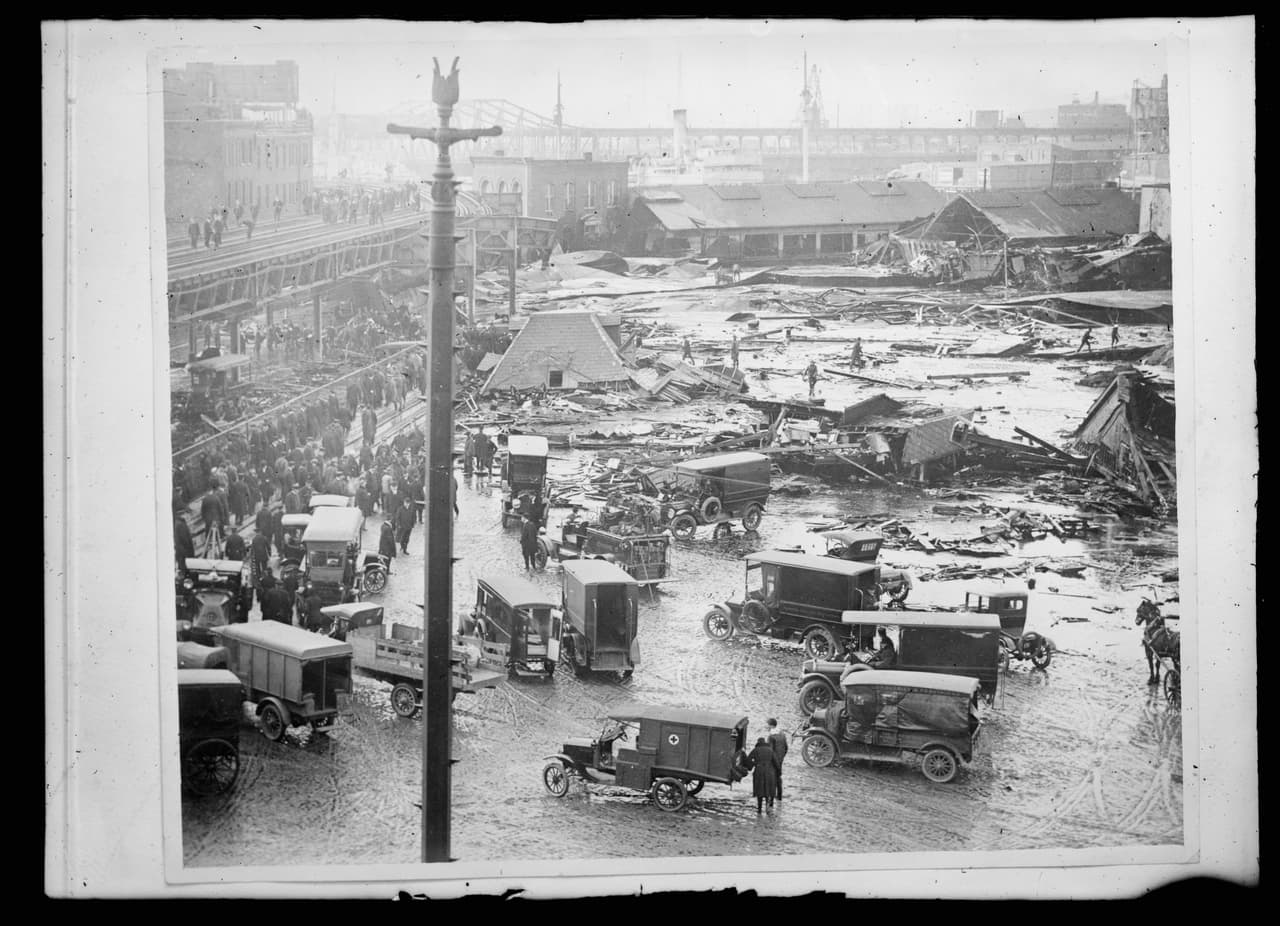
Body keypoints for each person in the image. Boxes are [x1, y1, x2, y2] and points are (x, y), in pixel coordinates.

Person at [744, 736, 779, 813]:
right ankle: (767, 805)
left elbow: (748, 760)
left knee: (759, 789)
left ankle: (759, 808)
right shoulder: (771, 750)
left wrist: (752, 765)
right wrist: (778, 773)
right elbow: (776, 763)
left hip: (759, 770)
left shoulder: (755, 750)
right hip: (769, 771)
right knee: (767, 789)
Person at [766, 718, 788, 801]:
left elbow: (770, 751)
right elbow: (786, 748)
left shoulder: (771, 737)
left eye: (767, 725)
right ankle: (779, 796)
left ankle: (771, 798)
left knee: (771, 779)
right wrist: (781, 758)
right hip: (780, 759)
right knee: (778, 777)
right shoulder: (782, 734)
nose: (766, 727)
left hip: (773, 761)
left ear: (771, 725)